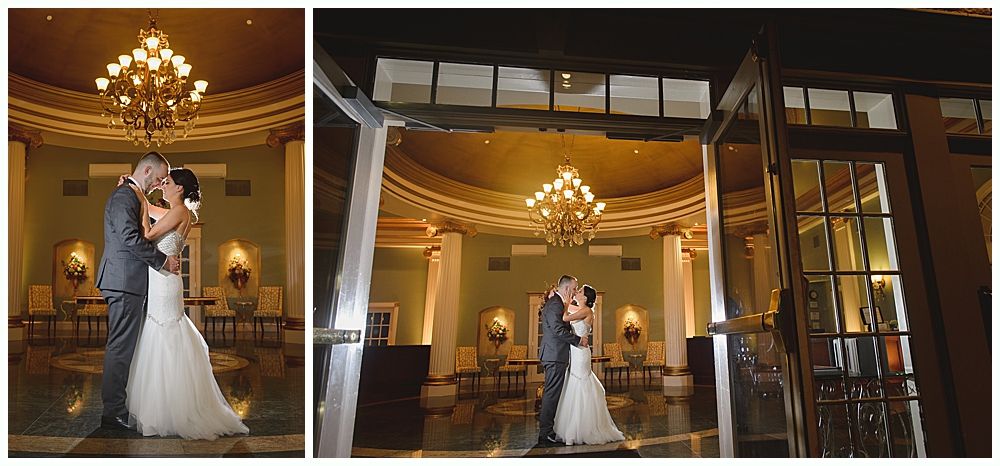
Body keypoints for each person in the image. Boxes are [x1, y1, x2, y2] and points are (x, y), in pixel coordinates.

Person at [122, 167, 249, 440]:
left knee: (164, 332)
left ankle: (168, 409)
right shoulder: (175, 212)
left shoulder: (180, 212)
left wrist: (143, 211)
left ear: (179, 188)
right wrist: (134, 188)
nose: (162, 186)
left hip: (164, 281)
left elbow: (146, 234)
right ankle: (163, 404)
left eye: (166, 183)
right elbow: (148, 206)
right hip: (160, 279)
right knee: (161, 332)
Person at [95, 152, 180, 430]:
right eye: (157, 179)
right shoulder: (124, 196)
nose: (158, 184)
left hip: (127, 281)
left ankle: (119, 406)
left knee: (125, 346)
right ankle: (113, 411)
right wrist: (163, 261)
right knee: (120, 347)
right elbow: (130, 238)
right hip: (122, 281)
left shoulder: (133, 196)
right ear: (146, 171)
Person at [553, 284, 625, 445]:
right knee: (574, 381)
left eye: (579, 292)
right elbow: (568, 307)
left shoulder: (586, 311)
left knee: (580, 382)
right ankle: (574, 426)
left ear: (585, 298)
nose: (576, 292)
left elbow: (565, 317)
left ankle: (580, 428)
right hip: (576, 350)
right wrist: (560, 297)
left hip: (581, 353)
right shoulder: (581, 309)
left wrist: (565, 302)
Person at [537, 275, 587, 446]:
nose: (574, 292)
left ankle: (549, 429)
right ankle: (546, 433)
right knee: (551, 394)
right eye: (574, 289)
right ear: (566, 289)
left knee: (553, 393)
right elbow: (558, 330)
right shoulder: (555, 304)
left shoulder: (558, 303)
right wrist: (578, 340)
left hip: (555, 354)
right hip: (554, 355)